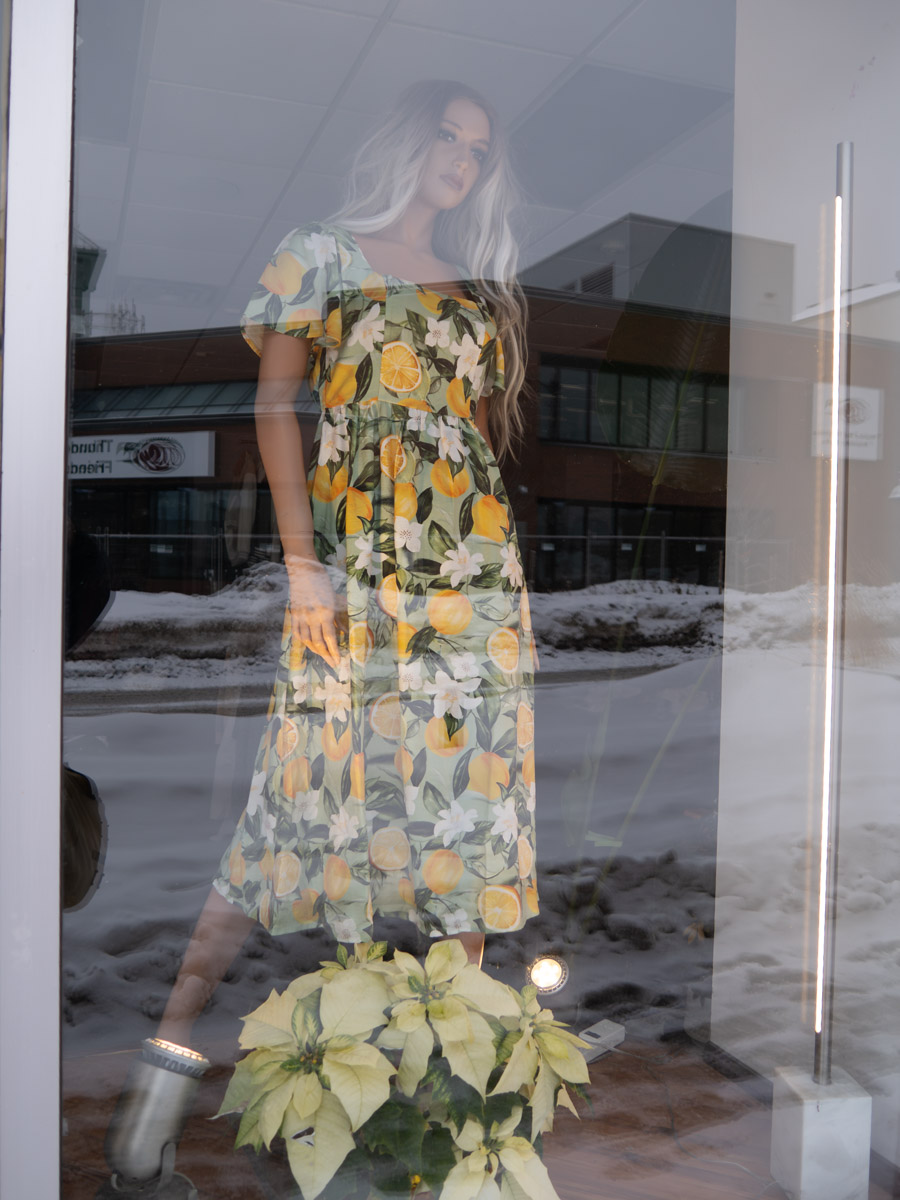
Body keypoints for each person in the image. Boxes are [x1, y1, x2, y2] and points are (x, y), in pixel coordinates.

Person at [157, 79, 538, 1049]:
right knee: (307, 771)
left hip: (471, 575)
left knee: (465, 793)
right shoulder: (321, 253)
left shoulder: (478, 290)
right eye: (448, 136)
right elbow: (274, 408)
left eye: (478, 150)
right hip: (358, 566)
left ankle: (451, 1059)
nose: (462, 160)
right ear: (408, 139)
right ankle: (169, 1044)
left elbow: (471, 439)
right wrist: (303, 568)